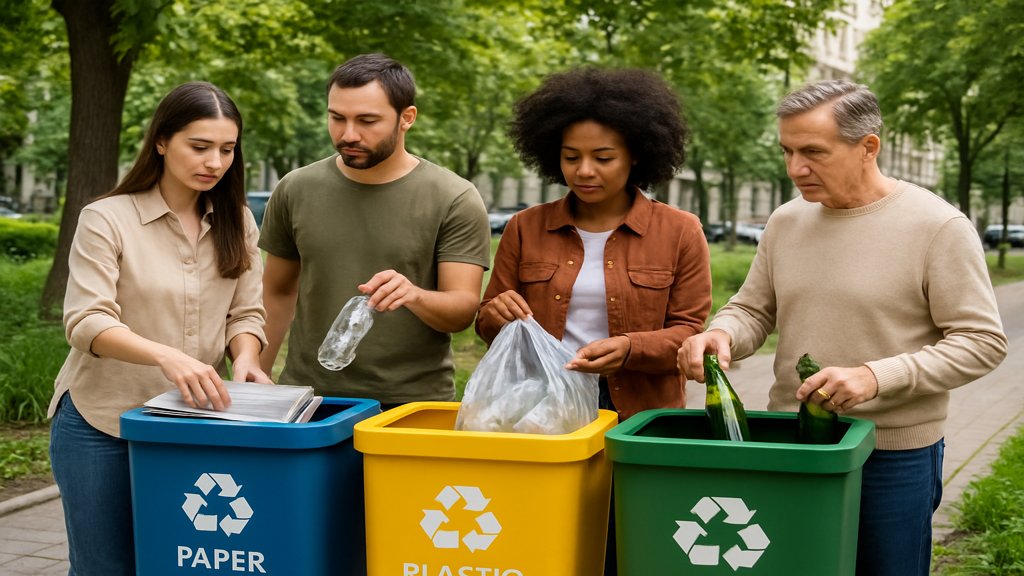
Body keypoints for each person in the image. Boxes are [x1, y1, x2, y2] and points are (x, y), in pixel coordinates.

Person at [677, 79, 1007, 576]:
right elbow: (752, 309)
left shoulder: (938, 226)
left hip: (892, 455)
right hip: (791, 443)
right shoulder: (786, 221)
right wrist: (721, 334)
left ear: (867, 147)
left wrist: (876, 376)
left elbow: (982, 342)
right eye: (787, 151)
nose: (795, 169)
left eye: (813, 152)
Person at [475, 67, 712, 576]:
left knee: (630, 540)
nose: (585, 170)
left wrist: (628, 348)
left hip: (639, 412)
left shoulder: (679, 231)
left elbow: (691, 330)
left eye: (603, 157)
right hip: (542, 409)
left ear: (636, 156)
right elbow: (491, 323)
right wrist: (492, 314)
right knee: (547, 538)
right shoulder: (525, 227)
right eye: (570, 157)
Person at [47, 81, 271, 575]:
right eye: (200, 146)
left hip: (190, 424)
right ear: (162, 142)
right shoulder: (106, 218)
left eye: (227, 149)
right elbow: (86, 320)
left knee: (184, 561)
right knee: (107, 568)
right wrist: (166, 355)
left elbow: (246, 314)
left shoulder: (238, 220)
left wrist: (248, 359)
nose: (214, 161)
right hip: (101, 424)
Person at [258, 54, 490, 405]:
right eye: (337, 118)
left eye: (367, 121)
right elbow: (275, 292)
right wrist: (255, 379)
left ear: (406, 118)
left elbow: (462, 310)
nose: (348, 134)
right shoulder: (295, 188)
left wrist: (414, 295)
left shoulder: (454, 196)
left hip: (413, 404)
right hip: (308, 399)